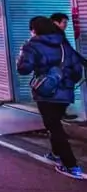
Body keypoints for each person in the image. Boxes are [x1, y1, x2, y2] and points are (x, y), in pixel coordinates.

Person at [17, 16, 84, 179]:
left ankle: (71, 166)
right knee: (54, 122)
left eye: (31, 29)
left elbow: (23, 69)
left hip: (46, 93)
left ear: (35, 29)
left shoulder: (31, 45)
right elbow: (76, 69)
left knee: (54, 126)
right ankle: (55, 153)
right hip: (66, 93)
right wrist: (65, 82)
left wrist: (21, 55)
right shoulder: (63, 43)